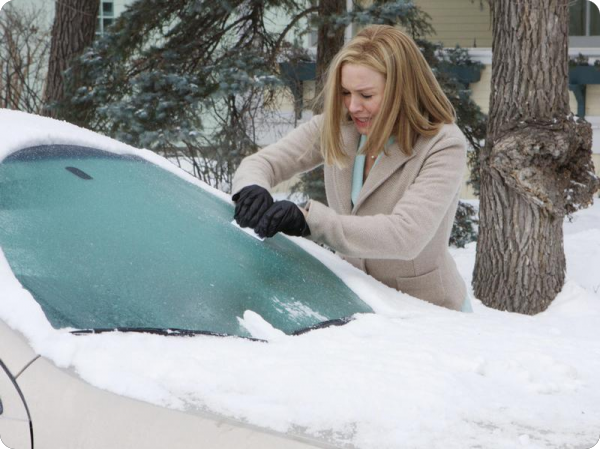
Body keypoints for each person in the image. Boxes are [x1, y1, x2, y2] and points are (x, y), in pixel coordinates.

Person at [232, 24, 472, 312]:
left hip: (426, 312)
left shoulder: (442, 144)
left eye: (366, 95)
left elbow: (406, 235)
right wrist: (251, 188)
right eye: (346, 93)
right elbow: (262, 163)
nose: (353, 106)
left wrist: (309, 221)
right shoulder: (338, 126)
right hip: (355, 305)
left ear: (401, 91)